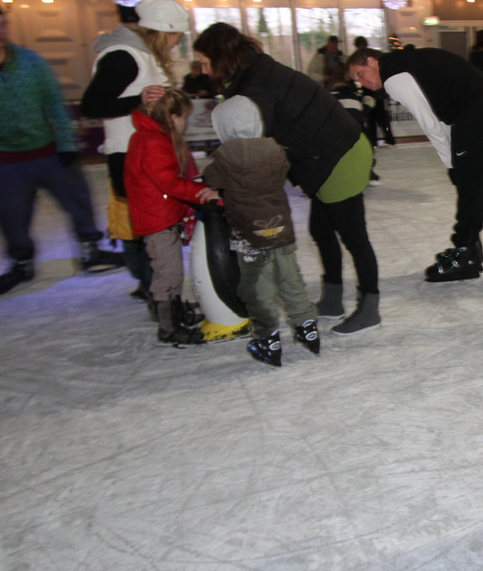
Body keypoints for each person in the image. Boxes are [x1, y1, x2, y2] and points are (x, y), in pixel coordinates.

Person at [194, 23, 380, 334]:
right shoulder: (254, 73)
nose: (202, 69)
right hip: (326, 155)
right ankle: (332, 301)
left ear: (220, 56)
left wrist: (222, 181)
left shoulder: (255, 85)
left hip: (340, 156)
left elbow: (251, 148)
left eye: (204, 61)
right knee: (321, 230)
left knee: (354, 237)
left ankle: (370, 309)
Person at [0, 0, 124, 298]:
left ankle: (90, 250)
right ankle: (21, 262)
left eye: (2, 24)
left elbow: (53, 103)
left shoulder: (30, 61)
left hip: (45, 149)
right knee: (10, 214)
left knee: (78, 198)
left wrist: (65, 143)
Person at [347, 46, 483, 282]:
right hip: (475, 107)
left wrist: (451, 163)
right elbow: (441, 109)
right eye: (356, 80)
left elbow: (429, 123)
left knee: (471, 184)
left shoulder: (394, 77)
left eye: (360, 74)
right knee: (470, 181)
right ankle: (470, 249)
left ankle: (465, 254)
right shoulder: (403, 62)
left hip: (475, 110)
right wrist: (454, 160)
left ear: (371, 61)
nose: (361, 82)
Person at [81, 0, 186, 316]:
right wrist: (137, 100)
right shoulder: (123, 56)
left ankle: (161, 294)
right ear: (163, 32)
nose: (177, 43)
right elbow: (91, 105)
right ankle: (159, 298)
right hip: (130, 156)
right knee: (149, 230)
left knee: (155, 228)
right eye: (176, 36)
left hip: (148, 153)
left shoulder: (143, 55)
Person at [202, 96, 320, 366]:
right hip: (280, 228)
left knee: (257, 288)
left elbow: (212, 178)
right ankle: (307, 327)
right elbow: (282, 172)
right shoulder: (275, 150)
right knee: (290, 279)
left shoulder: (224, 156)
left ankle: (267, 339)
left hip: (250, 234)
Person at [124, 89, 218, 346]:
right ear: (173, 117)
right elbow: (169, 182)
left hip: (160, 215)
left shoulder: (151, 137)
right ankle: (168, 327)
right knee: (168, 274)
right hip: (157, 220)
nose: (186, 123)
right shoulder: (153, 142)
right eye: (185, 117)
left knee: (172, 271)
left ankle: (176, 315)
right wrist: (201, 192)